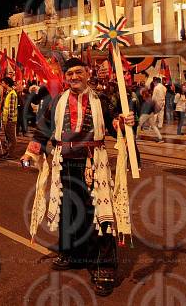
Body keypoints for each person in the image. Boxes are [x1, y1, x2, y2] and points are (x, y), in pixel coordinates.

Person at [21, 58, 134, 298]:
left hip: (93, 163)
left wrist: (123, 122)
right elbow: (44, 128)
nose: (74, 77)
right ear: (65, 77)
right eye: (70, 73)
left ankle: (104, 267)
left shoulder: (101, 99)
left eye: (78, 72)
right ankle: (72, 253)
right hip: (64, 162)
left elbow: (115, 125)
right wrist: (31, 152)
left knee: (100, 214)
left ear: (88, 73)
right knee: (68, 210)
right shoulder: (57, 101)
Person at [1, 77, 18, 159]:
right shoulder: (8, 93)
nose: (2, 84)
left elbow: (11, 109)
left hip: (10, 120)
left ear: (7, 84)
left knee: (11, 138)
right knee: (8, 137)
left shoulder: (12, 94)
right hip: (7, 120)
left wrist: (9, 120)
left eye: (3, 83)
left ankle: (11, 154)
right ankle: (8, 152)